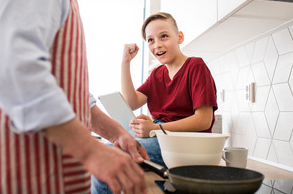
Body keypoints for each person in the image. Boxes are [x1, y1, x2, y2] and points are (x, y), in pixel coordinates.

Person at [0, 0, 148, 194]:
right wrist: (91, 150)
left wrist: (117, 133)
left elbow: (68, 91)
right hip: (23, 174)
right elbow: (17, 69)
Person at [93, 12, 218, 193]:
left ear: (179, 37)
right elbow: (131, 102)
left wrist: (154, 128)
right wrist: (125, 62)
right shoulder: (156, 75)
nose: (157, 44)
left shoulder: (195, 66)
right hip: (159, 137)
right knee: (105, 152)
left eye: (164, 36)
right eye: (150, 40)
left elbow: (204, 120)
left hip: (183, 143)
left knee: (106, 160)